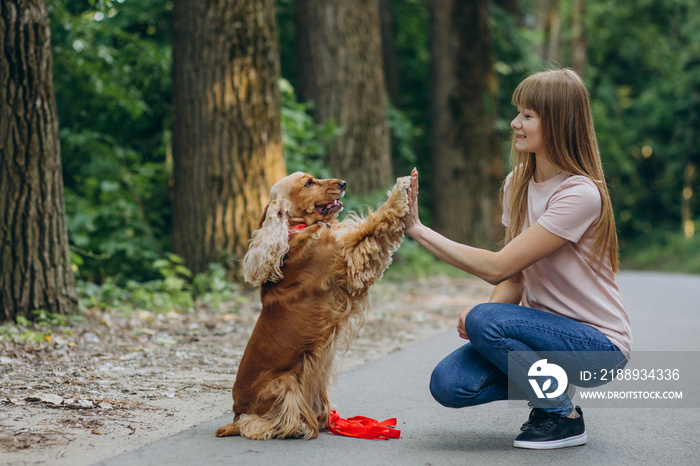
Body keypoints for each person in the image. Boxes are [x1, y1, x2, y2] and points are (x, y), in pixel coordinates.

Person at [405, 68, 632, 450]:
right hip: (540, 334)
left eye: (527, 115)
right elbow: (515, 278)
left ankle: (562, 416)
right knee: (449, 382)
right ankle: (551, 390)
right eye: (518, 113)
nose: (515, 123)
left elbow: (499, 266)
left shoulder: (580, 193)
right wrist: (485, 329)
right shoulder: (518, 184)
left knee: (483, 318)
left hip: (596, 346)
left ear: (558, 123)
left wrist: (418, 230)